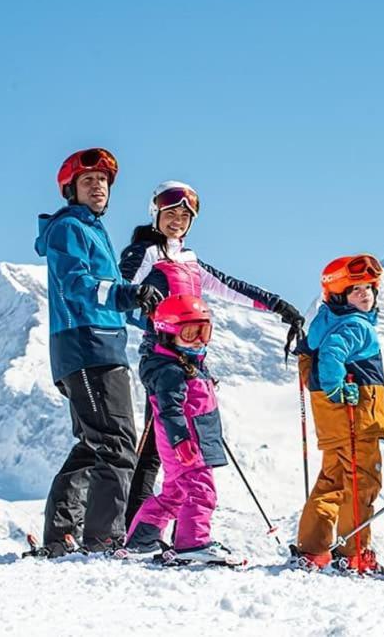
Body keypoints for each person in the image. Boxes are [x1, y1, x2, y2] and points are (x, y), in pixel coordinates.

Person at [118, 181, 302, 526]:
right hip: (161, 354)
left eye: (185, 216)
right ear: (155, 214)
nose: (177, 220)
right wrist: (146, 310)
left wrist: (279, 306)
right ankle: (130, 526)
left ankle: (152, 531)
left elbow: (232, 287)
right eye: (170, 213)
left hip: (192, 355)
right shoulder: (143, 253)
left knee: (169, 446)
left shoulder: (189, 260)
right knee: (155, 445)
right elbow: (119, 294)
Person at [34, 147, 162, 556]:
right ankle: (104, 538)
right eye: (89, 181)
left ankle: (62, 534)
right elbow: (78, 284)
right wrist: (128, 294)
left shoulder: (92, 229)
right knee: (116, 442)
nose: (98, 187)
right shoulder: (69, 227)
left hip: (101, 344)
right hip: (86, 345)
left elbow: (110, 299)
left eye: (104, 181)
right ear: (70, 189)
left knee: (95, 442)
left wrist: (154, 321)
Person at [291, 254, 384, 574]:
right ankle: (354, 551)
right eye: (355, 289)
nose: (365, 294)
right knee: (362, 482)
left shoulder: (325, 320)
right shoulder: (357, 326)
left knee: (331, 480)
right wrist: (334, 387)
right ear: (338, 295)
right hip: (357, 419)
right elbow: (332, 354)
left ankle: (313, 548)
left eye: (368, 288)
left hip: (334, 423)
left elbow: (314, 353)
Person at [123, 294, 236, 562]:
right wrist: (181, 440)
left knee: (174, 494)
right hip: (186, 444)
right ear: (168, 333)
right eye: (189, 333)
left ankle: (142, 539)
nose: (198, 339)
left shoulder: (188, 364)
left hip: (193, 440)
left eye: (204, 331)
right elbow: (170, 410)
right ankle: (193, 544)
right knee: (200, 490)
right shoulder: (171, 371)